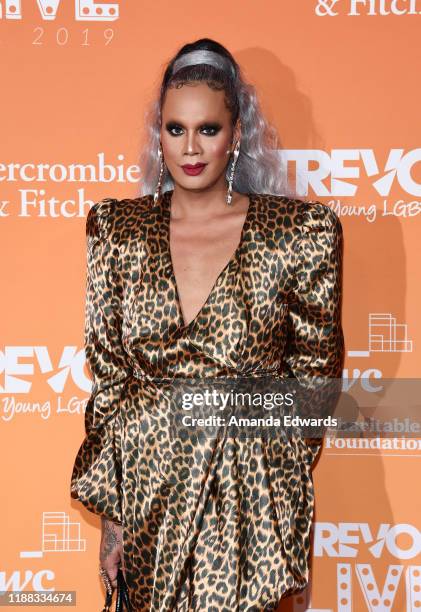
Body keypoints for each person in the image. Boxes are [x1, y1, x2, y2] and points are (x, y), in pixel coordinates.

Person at [70, 37, 344, 611]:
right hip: (150, 490)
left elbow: (315, 380)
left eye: (208, 130)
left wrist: (271, 473)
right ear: (160, 135)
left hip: (250, 490)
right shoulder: (117, 232)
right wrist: (114, 524)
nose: (190, 148)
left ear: (237, 133)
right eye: (175, 130)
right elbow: (112, 382)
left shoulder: (297, 232)